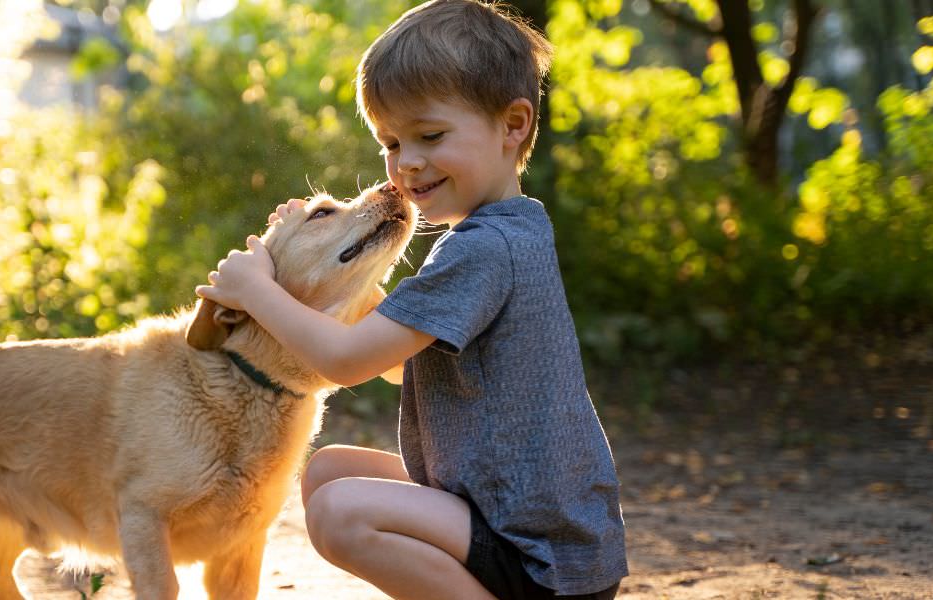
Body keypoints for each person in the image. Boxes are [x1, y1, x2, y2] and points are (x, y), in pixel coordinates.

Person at [194, 1, 627, 598]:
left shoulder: (484, 248)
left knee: (341, 511)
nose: (407, 163)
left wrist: (258, 291)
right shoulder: (505, 231)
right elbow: (404, 366)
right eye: (392, 142)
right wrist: (315, 259)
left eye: (430, 135)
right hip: (521, 518)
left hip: (538, 554)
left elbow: (346, 362)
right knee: (327, 471)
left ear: (513, 125)